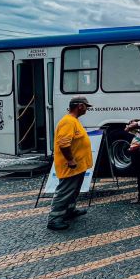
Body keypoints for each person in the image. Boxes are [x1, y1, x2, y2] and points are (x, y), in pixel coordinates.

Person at [47, 96, 93, 231]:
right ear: (80, 106)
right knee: (65, 191)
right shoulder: (68, 122)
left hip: (78, 166)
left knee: (73, 190)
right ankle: (54, 219)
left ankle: (69, 210)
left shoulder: (74, 120)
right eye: (86, 106)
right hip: (71, 165)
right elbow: (64, 144)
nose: (87, 109)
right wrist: (71, 160)